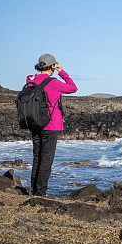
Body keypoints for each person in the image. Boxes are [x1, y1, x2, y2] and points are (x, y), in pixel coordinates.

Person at [26, 54, 77, 196]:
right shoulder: (53, 82)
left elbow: (30, 77)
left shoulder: (31, 81)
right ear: (52, 66)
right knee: (46, 160)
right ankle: (40, 193)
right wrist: (62, 72)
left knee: (37, 157)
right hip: (50, 125)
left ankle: (35, 190)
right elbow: (73, 88)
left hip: (34, 124)